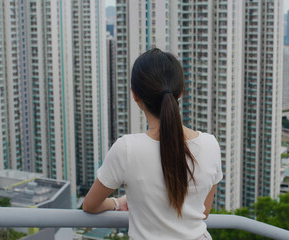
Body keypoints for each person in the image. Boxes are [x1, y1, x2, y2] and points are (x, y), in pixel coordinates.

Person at [83, 48, 222, 240]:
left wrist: (118, 203)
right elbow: (203, 212)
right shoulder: (210, 144)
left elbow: (90, 205)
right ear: (180, 92)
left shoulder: (127, 149)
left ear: (135, 96)